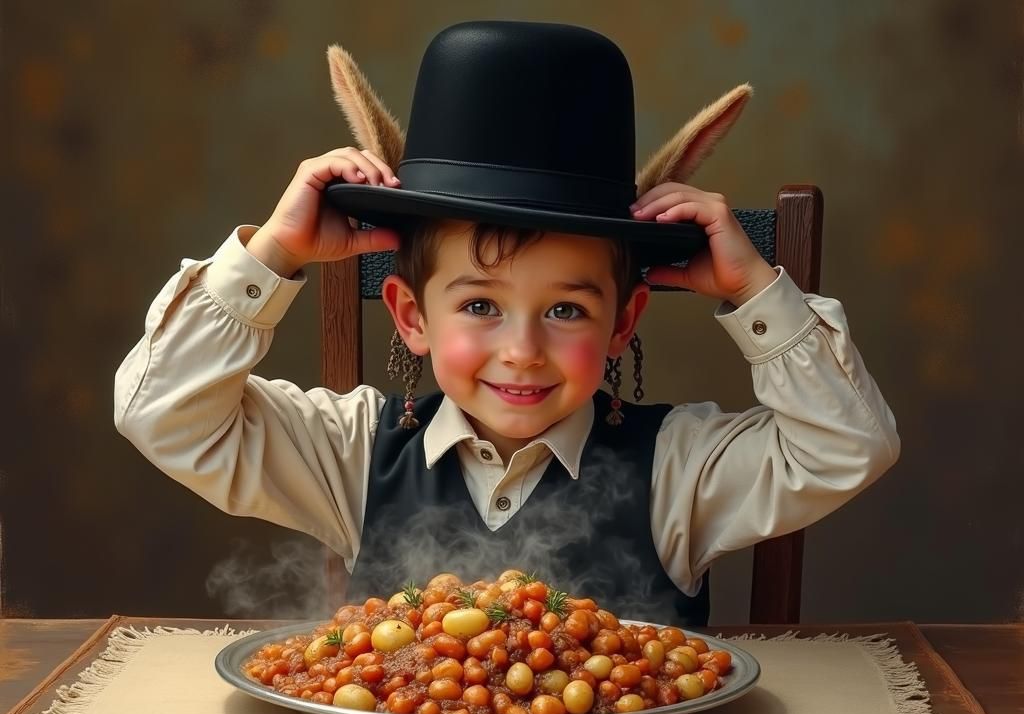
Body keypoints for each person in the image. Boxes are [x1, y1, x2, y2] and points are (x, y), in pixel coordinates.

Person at [114, 21, 899, 626]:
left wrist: (757, 290)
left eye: (566, 310)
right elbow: (161, 413)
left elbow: (847, 446)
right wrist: (273, 255)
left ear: (624, 323)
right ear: (411, 316)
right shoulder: (351, 451)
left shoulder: (680, 470)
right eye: (481, 306)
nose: (522, 352)